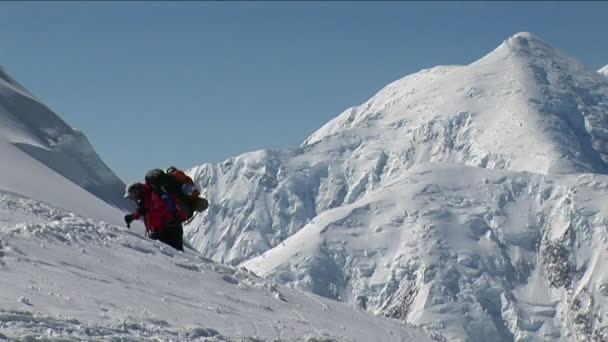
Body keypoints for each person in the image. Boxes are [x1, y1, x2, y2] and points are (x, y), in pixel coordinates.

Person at [123, 182, 187, 251]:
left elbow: (160, 209)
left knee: (176, 254)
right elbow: (144, 209)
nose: (133, 199)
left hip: (171, 229)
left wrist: (147, 210)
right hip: (161, 231)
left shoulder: (154, 193)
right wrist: (133, 216)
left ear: (136, 191)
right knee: (166, 255)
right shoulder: (144, 196)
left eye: (132, 196)